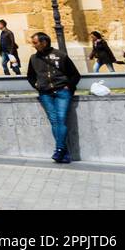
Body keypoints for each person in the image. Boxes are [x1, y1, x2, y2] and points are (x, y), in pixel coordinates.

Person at [26, 31, 81, 163]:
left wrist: (69, 86)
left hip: (62, 91)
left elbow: (75, 75)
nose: (33, 45)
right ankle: (63, 152)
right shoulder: (33, 58)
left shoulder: (60, 55)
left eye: (35, 43)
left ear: (44, 42)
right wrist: (37, 85)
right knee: (54, 120)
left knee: (60, 120)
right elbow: (30, 76)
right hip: (45, 93)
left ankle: (60, 149)